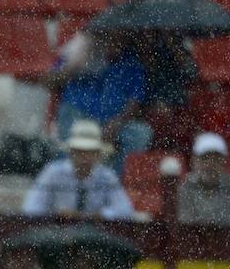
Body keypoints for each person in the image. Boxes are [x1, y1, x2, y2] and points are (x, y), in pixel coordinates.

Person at [45, 30, 151, 170]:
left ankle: (115, 181)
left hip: (113, 122)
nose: (115, 44)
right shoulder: (82, 52)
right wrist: (73, 66)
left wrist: (116, 123)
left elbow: (135, 101)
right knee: (73, 121)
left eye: (119, 39)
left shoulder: (131, 64)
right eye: (111, 38)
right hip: (78, 115)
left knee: (141, 133)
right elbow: (48, 81)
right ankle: (67, 176)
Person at [22, 120, 135, 220]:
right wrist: (56, 215)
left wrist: (98, 215)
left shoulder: (106, 176)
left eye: (89, 152)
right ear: (71, 152)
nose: (84, 157)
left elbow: (125, 210)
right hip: (57, 234)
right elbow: (30, 208)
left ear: (98, 154)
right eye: (79, 151)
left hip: (95, 236)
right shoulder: (53, 172)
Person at [178, 132, 230, 227]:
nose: (210, 164)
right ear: (194, 160)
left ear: (224, 162)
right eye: (205, 159)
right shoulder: (182, 189)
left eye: (216, 159)